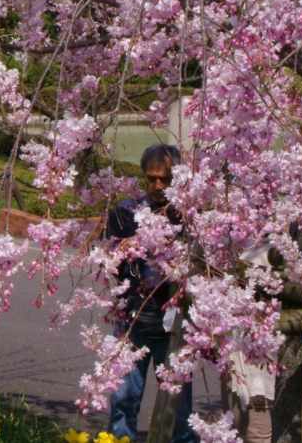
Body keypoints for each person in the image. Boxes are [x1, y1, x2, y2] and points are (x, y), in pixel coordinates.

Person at [107, 143, 197, 443]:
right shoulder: (125, 213)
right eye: (151, 178)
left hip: (172, 324)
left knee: (178, 408)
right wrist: (118, 253)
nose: (158, 185)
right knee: (122, 399)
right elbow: (109, 267)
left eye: (166, 179)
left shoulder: (188, 216)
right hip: (132, 322)